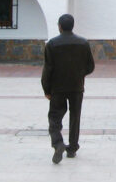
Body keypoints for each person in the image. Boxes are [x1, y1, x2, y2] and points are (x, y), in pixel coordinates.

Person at [41, 14, 95, 164]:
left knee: (54, 118)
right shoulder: (83, 43)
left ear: (59, 26)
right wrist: (79, 74)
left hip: (57, 87)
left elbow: (48, 69)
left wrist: (46, 89)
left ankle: (58, 143)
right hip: (76, 86)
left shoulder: (52, 44)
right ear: (73, 25)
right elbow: (90, 66)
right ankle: (72, 148)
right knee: (75, 117)